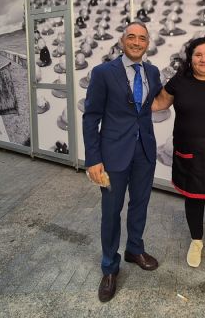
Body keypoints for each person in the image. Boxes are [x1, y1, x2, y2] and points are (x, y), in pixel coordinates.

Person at [82, 22, 162, 303]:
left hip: (144, 151)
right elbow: (91, 116)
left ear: (148, 42)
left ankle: (135, 249)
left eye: (142, 38)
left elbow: (156, 103)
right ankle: (109, 267)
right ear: (122, 40)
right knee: (111, 211)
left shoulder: (152, 72)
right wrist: (93, 159)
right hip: (113, 153)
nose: (137, 42)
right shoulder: (104, 73)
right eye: (132, 37)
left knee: (140, 204)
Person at [153, 37, 205, 268]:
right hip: (187, 152)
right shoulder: (180, 82)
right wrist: (126, 100)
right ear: (190, 59)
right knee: (193, 197)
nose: (203, 59)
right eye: (198, 55)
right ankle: (196, 241)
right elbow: (158, 104)